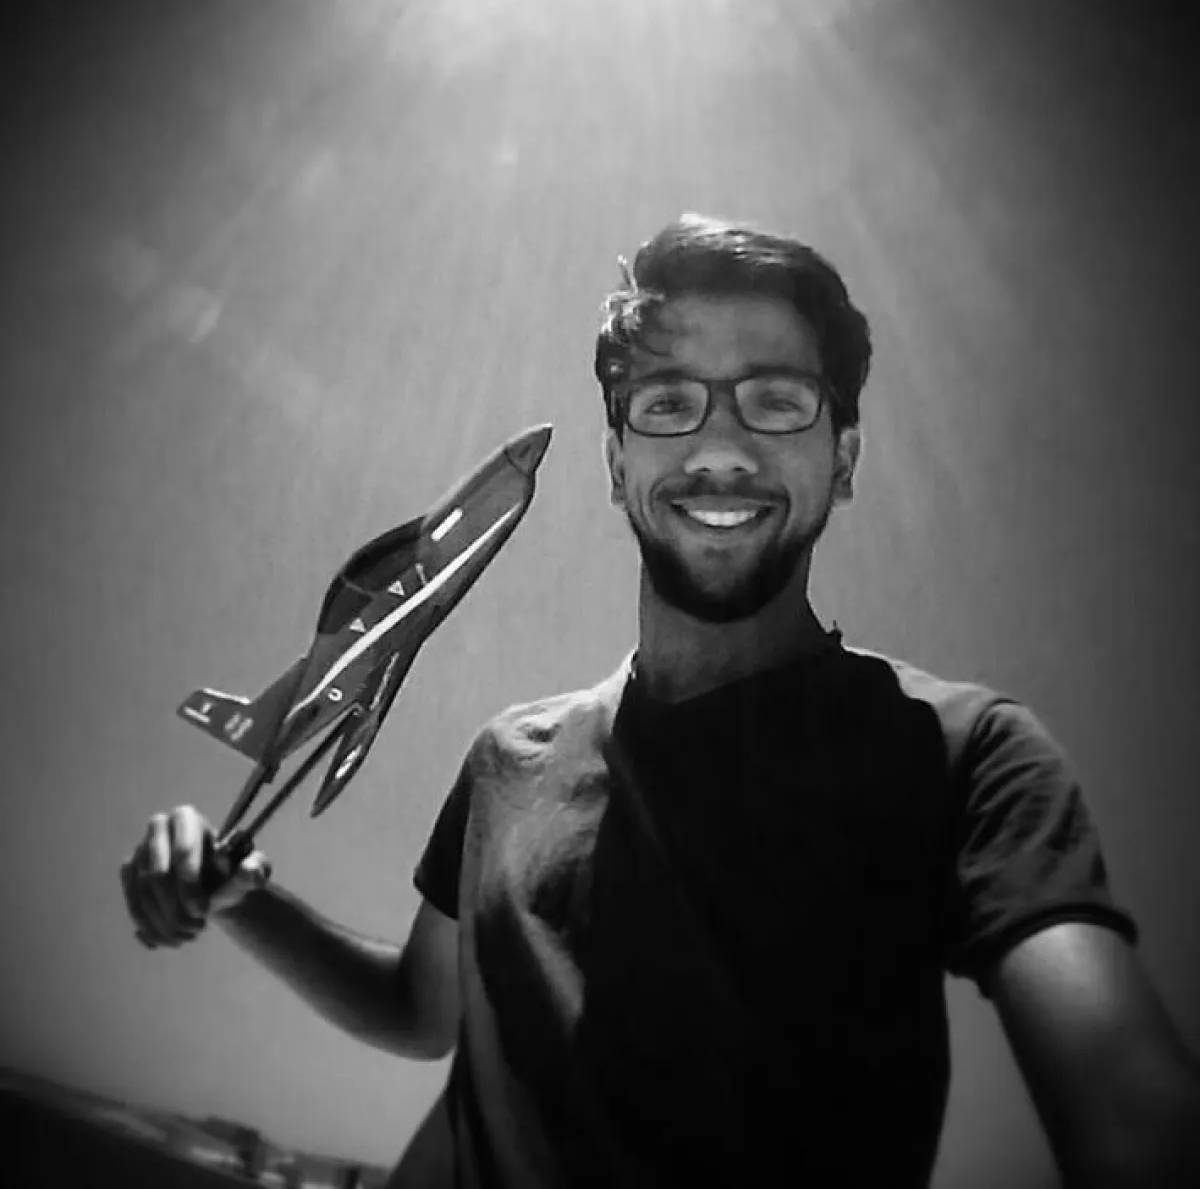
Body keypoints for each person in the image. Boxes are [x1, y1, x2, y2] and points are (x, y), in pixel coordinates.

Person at [122, 214, 1200, 1188]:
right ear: (614, 460)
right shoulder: (505, 759)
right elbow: (420, 1012)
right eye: (670, 402)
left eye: (777, 399)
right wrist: (240, 900)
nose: (720, 447)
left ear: (844, 457)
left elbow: (1136, 1129)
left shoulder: (966, 753)